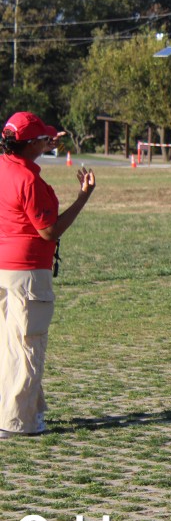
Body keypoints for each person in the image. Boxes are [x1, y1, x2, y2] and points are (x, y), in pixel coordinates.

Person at [0, 112, 96, 438]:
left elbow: (22, 153)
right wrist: (82, 198)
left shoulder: (6, 165)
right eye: (42, 139)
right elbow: (49, 231)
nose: (48, 142)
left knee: (8, 347)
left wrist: (42, 143)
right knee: (28, 347)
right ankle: (17, 422)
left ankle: (22, 412)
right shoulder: (28, 180)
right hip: (27, 272)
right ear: (29, 144)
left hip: (4, 268)